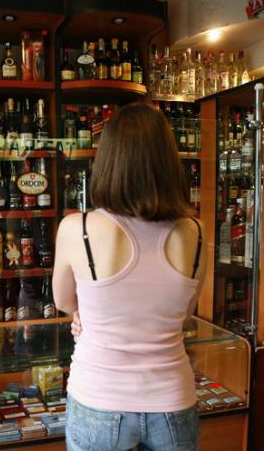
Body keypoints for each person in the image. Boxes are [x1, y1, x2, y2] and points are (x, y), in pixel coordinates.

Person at [53, 103, 207, 451]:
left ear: (108, 160)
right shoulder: (195, 231)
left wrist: (86, 314)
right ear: (168, 162)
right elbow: (185, 313)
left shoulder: (77, 228)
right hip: (173, 399)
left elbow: (63, 301)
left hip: (98, 396)